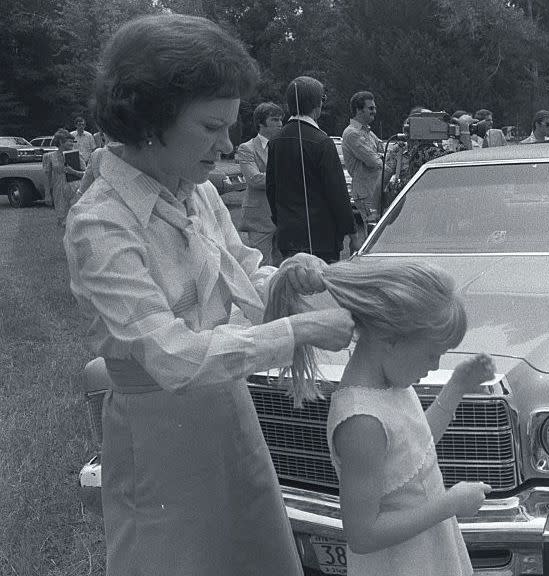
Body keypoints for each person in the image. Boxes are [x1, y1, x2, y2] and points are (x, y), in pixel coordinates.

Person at [63, 14, 355, 575]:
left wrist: (306, 285)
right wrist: (297, 331)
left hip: (228, 413)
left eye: (230, 125)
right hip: (159, 436)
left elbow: (248, 282)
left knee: (252, 554)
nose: (228, 143)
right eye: (210, 127)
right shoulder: (101, 223)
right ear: (149, 121)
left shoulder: (197, 193)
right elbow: (170, 355)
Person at [264, 260, 494, 576]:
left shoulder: (392, 384)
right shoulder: (362, 422)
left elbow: (412, 454)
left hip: (426, 556)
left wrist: (455, 389)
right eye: (432, 353)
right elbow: (362, 534)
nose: (435, 364)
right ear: (390, 339)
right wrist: (448, 505)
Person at [267, 75, 356, 263]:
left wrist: (281, 222)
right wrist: (351, 232)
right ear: (317, 104)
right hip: (320, 239)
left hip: (288, 236)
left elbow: (271, 189)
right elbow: (337, 193)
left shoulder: (275, 141)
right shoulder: (322, 142)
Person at [237, 102, 284, 266]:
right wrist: (289, 177)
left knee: (284, 264)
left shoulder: (284, 146)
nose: (280, 124)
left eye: (280, 120)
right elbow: (254, 179)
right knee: (261, 265)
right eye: (275, 120)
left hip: (284, 215)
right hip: (259, 217)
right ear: (260, 123)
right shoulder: (247, 149)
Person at [342, 91, 384, 252]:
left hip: (374, 189)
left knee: (377, 232)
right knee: (373, 234)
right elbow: (375, 161)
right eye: (370, 108)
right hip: (366, 192)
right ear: (359, 110)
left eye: (374, 108)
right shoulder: (352, 133)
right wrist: (383, 158)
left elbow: (385, 152)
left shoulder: (367, 132)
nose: (374, 111)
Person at [42, 128, 85, 226]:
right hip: (59, 190)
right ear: (61, 142)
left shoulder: (77, 155)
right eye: (69, 142)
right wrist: (47, 194)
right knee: (63, 222)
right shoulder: (48, 157)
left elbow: (85, 174)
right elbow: (47, 176)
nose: (72, 144)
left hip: (76, 189)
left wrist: (73, 172)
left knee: (76, 220)